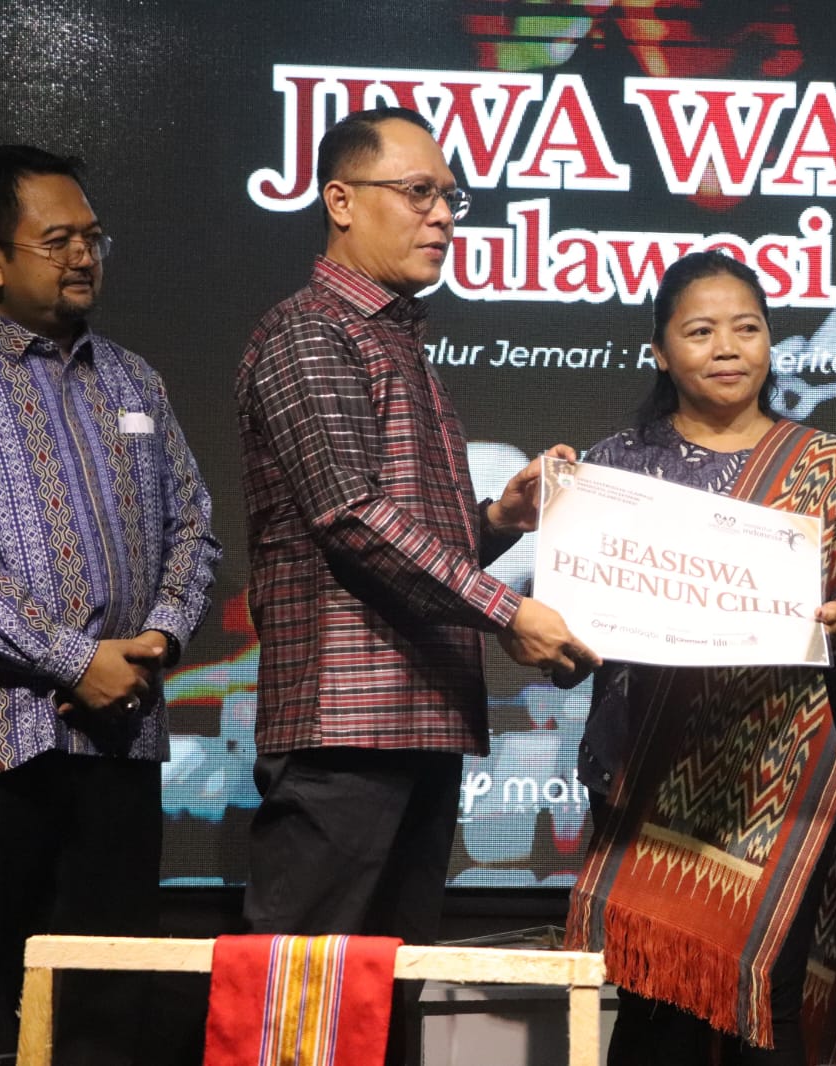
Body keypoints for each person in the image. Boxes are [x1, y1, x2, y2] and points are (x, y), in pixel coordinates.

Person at [235, 106, 599, 1059]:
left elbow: (406, 541)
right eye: (418, 192)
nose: (442, 214)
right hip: (344, 727)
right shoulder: (310, 332)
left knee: (382, 1007)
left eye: (450, 197)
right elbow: (351, 518)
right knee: (303, 1005)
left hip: (421, 718)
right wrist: (508, 611)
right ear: (340, 200)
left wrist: (499, 522)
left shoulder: (402, 341)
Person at [563, 250, 836, 1066]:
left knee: (766, 1007)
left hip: (781, 779)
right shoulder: (610, 469)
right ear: (659, 351)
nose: (727, 348)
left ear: (770, 343)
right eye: (700, 332)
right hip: (643, 770)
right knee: (654, 1006)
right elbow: (568, 617)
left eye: (746, 329)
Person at [0, 145, 221, 1066]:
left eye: (93, 238)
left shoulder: (135, 381)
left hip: (117, 737)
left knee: (103, 1004)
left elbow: (195, 524)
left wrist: (158, 638)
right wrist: (77, 660)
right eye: (58, 239)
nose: (83, 257)